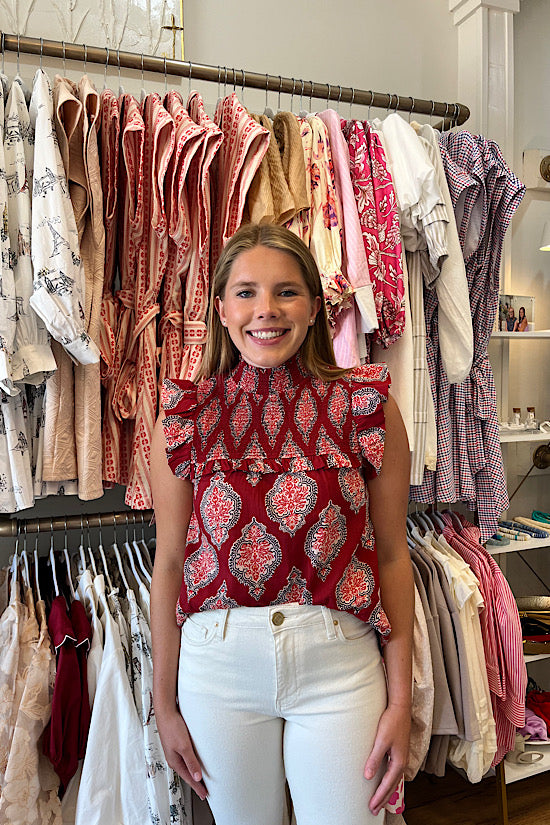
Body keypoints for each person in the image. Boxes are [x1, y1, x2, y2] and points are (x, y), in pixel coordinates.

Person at [150, 224, 413, 825]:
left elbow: (394, 557)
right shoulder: (187, 417)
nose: (265, 310)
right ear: (220, 309)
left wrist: (402, 698)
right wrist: (162, 705)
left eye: (286, 292)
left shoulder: (366, 407)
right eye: (245, 293)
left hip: (340, 666)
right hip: (218, 671)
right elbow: (168, 565)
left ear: (316, 307)